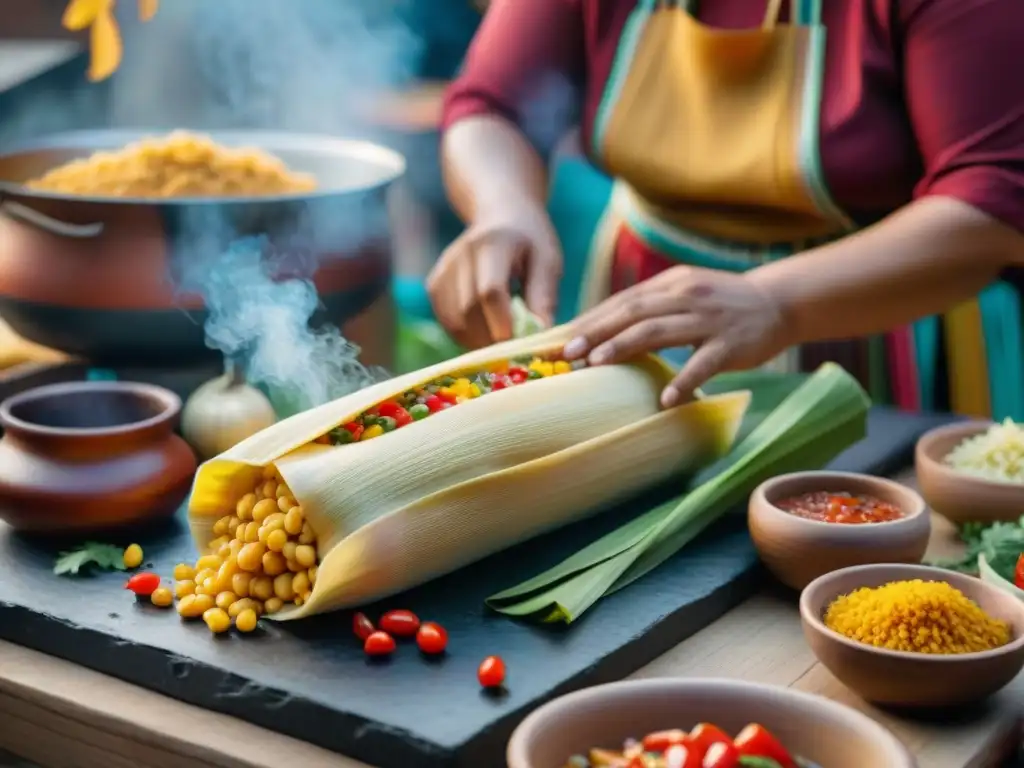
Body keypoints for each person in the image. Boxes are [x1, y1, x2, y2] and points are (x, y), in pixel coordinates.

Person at [427, 0, 1024, 408]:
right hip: (639, 311)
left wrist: (775, 302)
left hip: (884, 321)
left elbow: (995, 196)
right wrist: (503, 205)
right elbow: (491, 106)